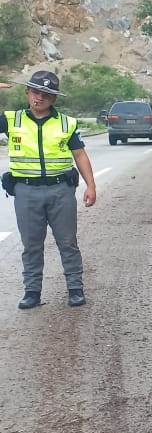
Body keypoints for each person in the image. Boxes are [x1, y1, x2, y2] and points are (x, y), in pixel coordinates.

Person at [1, 70, 97, 309]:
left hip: (60, 191)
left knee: (67, 242)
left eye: (46, 94)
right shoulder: (11, 120)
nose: (39, 98)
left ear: (53, 99)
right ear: (27, 93)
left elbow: (80, 154)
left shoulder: (67, 123)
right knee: (31, 244)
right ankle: (32, 292)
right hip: (26, 192)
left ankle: (75, 289)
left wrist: (91, 185)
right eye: (35, 92)